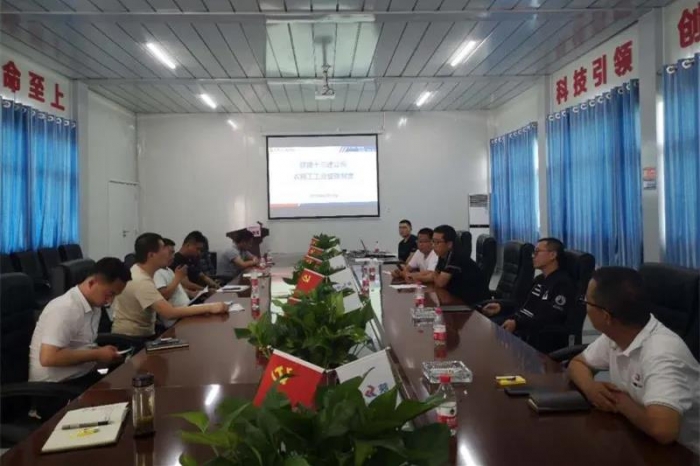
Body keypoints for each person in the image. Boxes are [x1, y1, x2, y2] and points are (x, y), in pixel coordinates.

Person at [568, 267, 699, 453]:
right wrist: (591, 388)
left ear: (606, 316)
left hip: (684, 454)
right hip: (638, 438)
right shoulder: (617, 334)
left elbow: (664, 430)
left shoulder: (662, 353)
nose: (585, 307)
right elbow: (578, 363)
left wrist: (617, 400)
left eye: (587, 301)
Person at [29, 257, 131, 388]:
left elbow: (80, 346)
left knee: (129, 379)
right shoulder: (65, 308)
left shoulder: (94, 306)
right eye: (109, 294)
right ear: (92, 283)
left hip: (81, 376)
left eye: (115, 296)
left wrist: (103, 353)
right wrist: (97, 354)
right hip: (55, 387)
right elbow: (48, 358)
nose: (110, 301)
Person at [112, 233, 228, 338]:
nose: (169, 253)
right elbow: (169, 313)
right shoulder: (141, 280)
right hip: (133, 340)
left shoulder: (140, 271)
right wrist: (210, 307)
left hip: (144, 334)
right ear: (151, 255)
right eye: (164, 248)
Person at [491, 238, 576, 353]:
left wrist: (517, 323)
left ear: (552, 255)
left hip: (537, 337)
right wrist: (501, 307)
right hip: (521, 326)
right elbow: (523, 304)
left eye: (537, 252)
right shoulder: (539, 279)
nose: (533, 256)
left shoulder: (562, 284)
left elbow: (551, 318)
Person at [431, 224, 489, 305]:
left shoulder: (456, 257)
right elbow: (437, 276)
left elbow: (440, 283)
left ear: (449, 244)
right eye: (433, 241)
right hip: (457, 297)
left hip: (473, 303)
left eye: (437, 242)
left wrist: (434, 274)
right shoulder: (444, 255)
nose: (433, 245)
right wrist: (434, 275)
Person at [154, 238, 197, 329]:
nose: (173, 256)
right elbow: (164, 296)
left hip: (185, 311)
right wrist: (178, 278)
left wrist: (193, 293)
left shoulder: (168, 269)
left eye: (173, 253)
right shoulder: (157, 272)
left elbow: (176, 288)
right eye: (170, 253)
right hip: (175, 320)